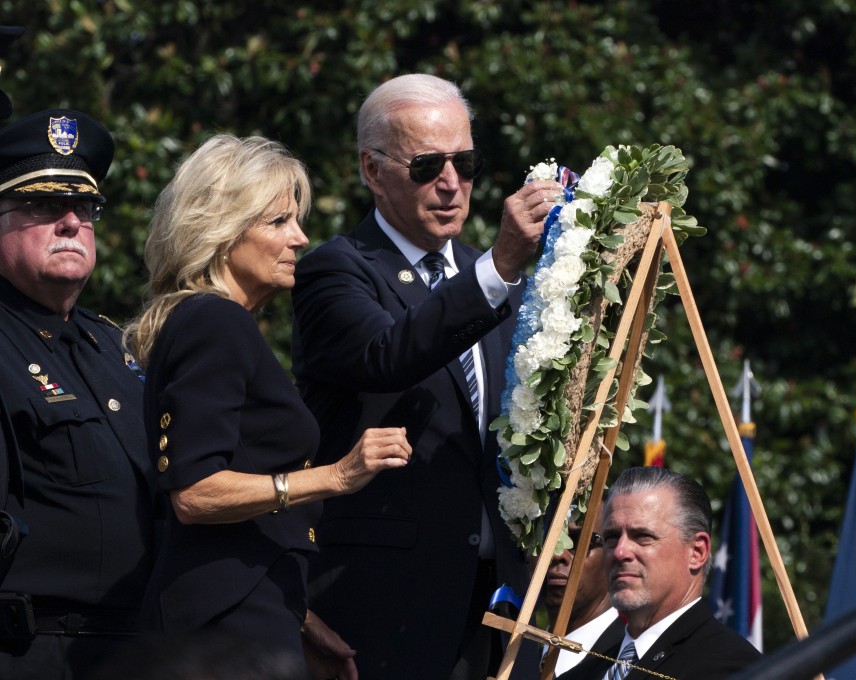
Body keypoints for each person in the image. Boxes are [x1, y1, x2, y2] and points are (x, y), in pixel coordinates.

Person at [291, 73, 563, 680]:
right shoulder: (336, 270)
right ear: (372, 170)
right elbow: (389, 354)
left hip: (496, 612)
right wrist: (499, 267)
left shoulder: (488, 276)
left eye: (464, 163)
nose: (451, 183)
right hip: (382, 613)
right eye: (426, 166)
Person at [124, 134, 412, 678]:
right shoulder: (216, 320)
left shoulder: (210, 322)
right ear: (222, 231)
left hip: (244, 612)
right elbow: (194, 493)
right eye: (278, 222)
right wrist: (338, 475)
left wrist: (299, 616)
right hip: (224, 633)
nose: (300, 238)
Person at [0, 108, 156, 678]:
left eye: (85, 207)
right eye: (41, 205)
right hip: (37, 652)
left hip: (138, 648)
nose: (70, 221)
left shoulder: (118, 345)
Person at [558, 467, 761, 680]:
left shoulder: (737, 669)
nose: (620, 551)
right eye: (611, 537)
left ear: (697, 552)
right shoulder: (578, 676)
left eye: (643, 536)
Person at [541, 516, 621, 678]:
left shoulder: (634, 656)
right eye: (545, 538)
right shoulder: (510, 647)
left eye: (578, 540)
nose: (558, 555)